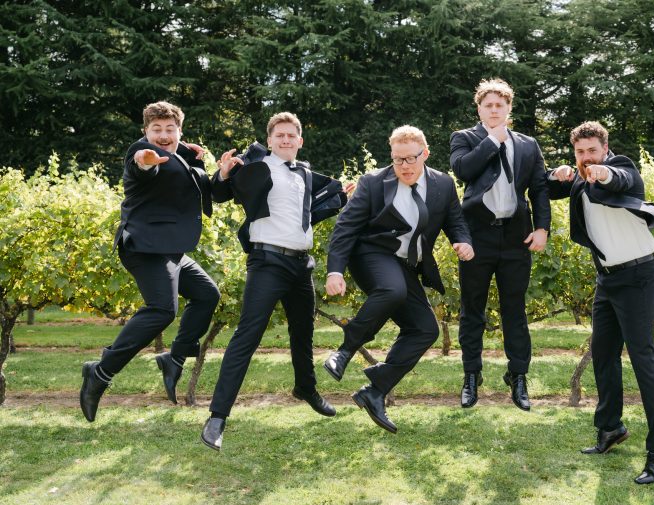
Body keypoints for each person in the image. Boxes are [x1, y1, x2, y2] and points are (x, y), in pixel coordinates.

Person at [548, 121, 654, 485]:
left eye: (592, 152)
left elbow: (621, 180)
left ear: (605, 148)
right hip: (608, 280)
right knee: (602, 353)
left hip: (639, 275)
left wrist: (604, 171)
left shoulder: (623, 167)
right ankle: (611, 428)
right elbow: (546, 188)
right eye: (580, 153)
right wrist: (559, 174)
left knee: (643, 361)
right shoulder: (579, 180)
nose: (586, 159)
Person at [201, 112, 349, 451]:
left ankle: (306, 389)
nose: (285, 140)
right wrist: (223, 173)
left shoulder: (305, 174)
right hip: (268, 262)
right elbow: (222, 192)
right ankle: (217, 418)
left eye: (291, 135)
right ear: (269, 140)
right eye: (279, 135)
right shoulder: (258, 167)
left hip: (301, 265)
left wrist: (343, 198)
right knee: (247, 336)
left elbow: (309, 213)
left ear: (300, 140)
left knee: (304, 332)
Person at [324, 125, 473, 433]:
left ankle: (375, 391)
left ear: (426, 154)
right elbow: (346, 228)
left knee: (425, 329)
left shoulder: (443, 185)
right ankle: (344, 351)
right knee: (391, 290)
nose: (404, 166)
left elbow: (455, 220)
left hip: (407, 264)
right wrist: (335, 270)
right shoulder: (373, 183)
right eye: (397, 160)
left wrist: (463, 241)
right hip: (371, 254)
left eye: (410, 159)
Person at [80, 101, 220, 421]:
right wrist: (145, 160)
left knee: (206, 294)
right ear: (145, 132)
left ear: (179, 131)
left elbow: (177, 164)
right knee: (162, 309)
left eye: (170, 129)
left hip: (169, 249)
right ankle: (100, 373)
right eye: (155, 129)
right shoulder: (140, 153)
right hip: (143, 247)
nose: (163, 134)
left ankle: (175, 358)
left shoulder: (179, 153)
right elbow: (143, 166)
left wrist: (190, 153)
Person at [449, 78, 551, 410]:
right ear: (479, 108)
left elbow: (538, 189)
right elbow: (464, 170)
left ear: (509, 108)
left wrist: (543, 228)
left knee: (514, 310)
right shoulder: (464, 138)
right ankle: (471, 375)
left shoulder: (527, 144)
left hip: (516, 237)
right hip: (476, 237)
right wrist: (493, 140)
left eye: (500, 105)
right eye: (488, 105)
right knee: (472, 310)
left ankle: (518, 375)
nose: (494, 110)